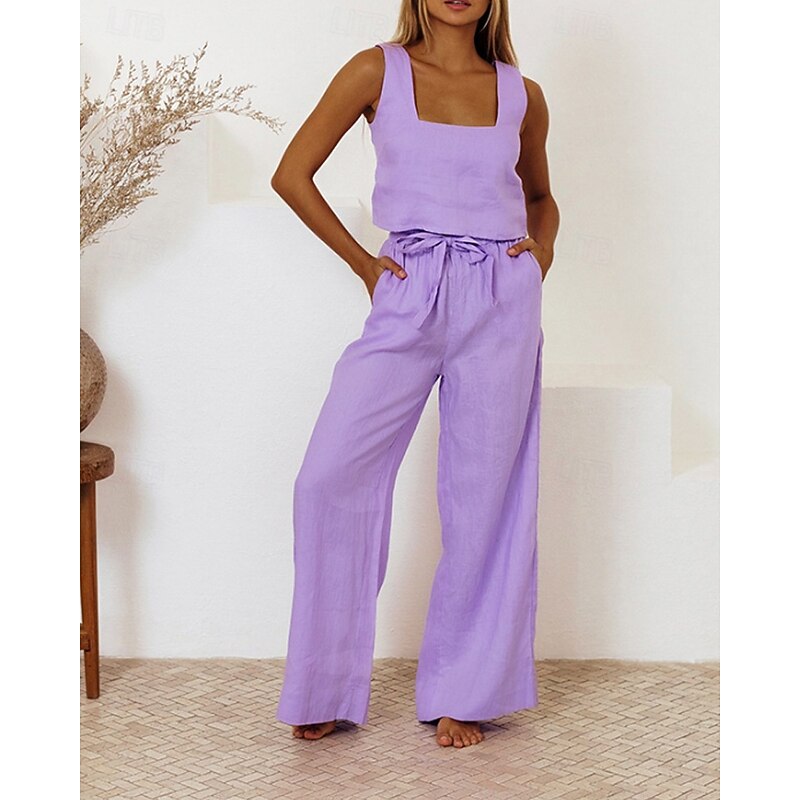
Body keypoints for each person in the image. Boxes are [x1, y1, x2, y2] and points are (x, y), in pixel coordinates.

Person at [271, 0, 559, 748]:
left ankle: (466, 692)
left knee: (486, 498)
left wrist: (540, 258)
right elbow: (291, 174)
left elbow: (539, 197)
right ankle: (323, 685)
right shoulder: (376, 71)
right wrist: (364, 265)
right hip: (409, 286)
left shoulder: (521, 93)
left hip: (500, 298)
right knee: (328, 478)